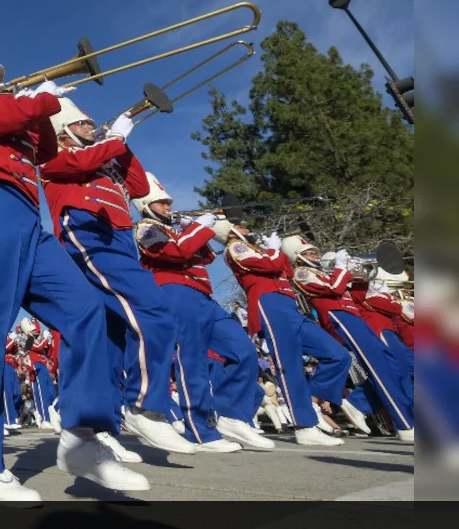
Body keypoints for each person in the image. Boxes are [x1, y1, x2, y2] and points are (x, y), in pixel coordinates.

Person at [0, 40, 149, 503]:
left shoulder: (10, 109)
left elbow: (45, 153)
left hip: (29, 219)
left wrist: (46, 107)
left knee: (86, 309)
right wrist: (41, 99)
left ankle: (80, 435)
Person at [39, 98, 194, 457]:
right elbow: (73, 165)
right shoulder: (52, 152)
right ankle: (146, 406)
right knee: (152, 309)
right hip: (89, 231)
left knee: (111, 337)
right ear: (65, 129)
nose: (92, 126)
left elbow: (138, 187)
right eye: (84, 122)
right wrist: (113, 141)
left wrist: (123, 143)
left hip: (120, 237)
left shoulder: (104, 155)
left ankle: (101, 426)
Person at [132, 173, 273, 451]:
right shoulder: (145, 229)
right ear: (148, 207)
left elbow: (206, 256)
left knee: (243, 351)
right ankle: (200, 430)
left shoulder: (177, 229)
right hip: (175, 293)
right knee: (192, 360)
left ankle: (231, 415)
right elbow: (176, 253)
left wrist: (192, 227)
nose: (169, 207)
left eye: (169, 202)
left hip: (203, 296)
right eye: (162, 203)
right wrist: (197, 228)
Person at [222, 224, 350, 446]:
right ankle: (304, 426)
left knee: (338, 355)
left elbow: (286, 272)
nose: (247, 228)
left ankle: (307, 401)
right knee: (289, 366)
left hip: (290, 307)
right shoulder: (234, 247)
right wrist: (272, 251)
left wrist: (270, 250)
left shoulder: (258, 249)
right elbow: (269, 265)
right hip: (269, 304)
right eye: (241, 226)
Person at [284, 238, 414, 441]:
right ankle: (405, 424)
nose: (314, 256)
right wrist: (342, 269)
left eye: (314, 252)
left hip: (354, 317)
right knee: (380, 368)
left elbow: (355, 295)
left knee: (391, 365)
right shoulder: (302, 273)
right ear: (298, 256)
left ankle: (359, 403)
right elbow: (334, 289)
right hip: (337, 316)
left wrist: (361, 276)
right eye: (309, 253)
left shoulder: (328, 272)